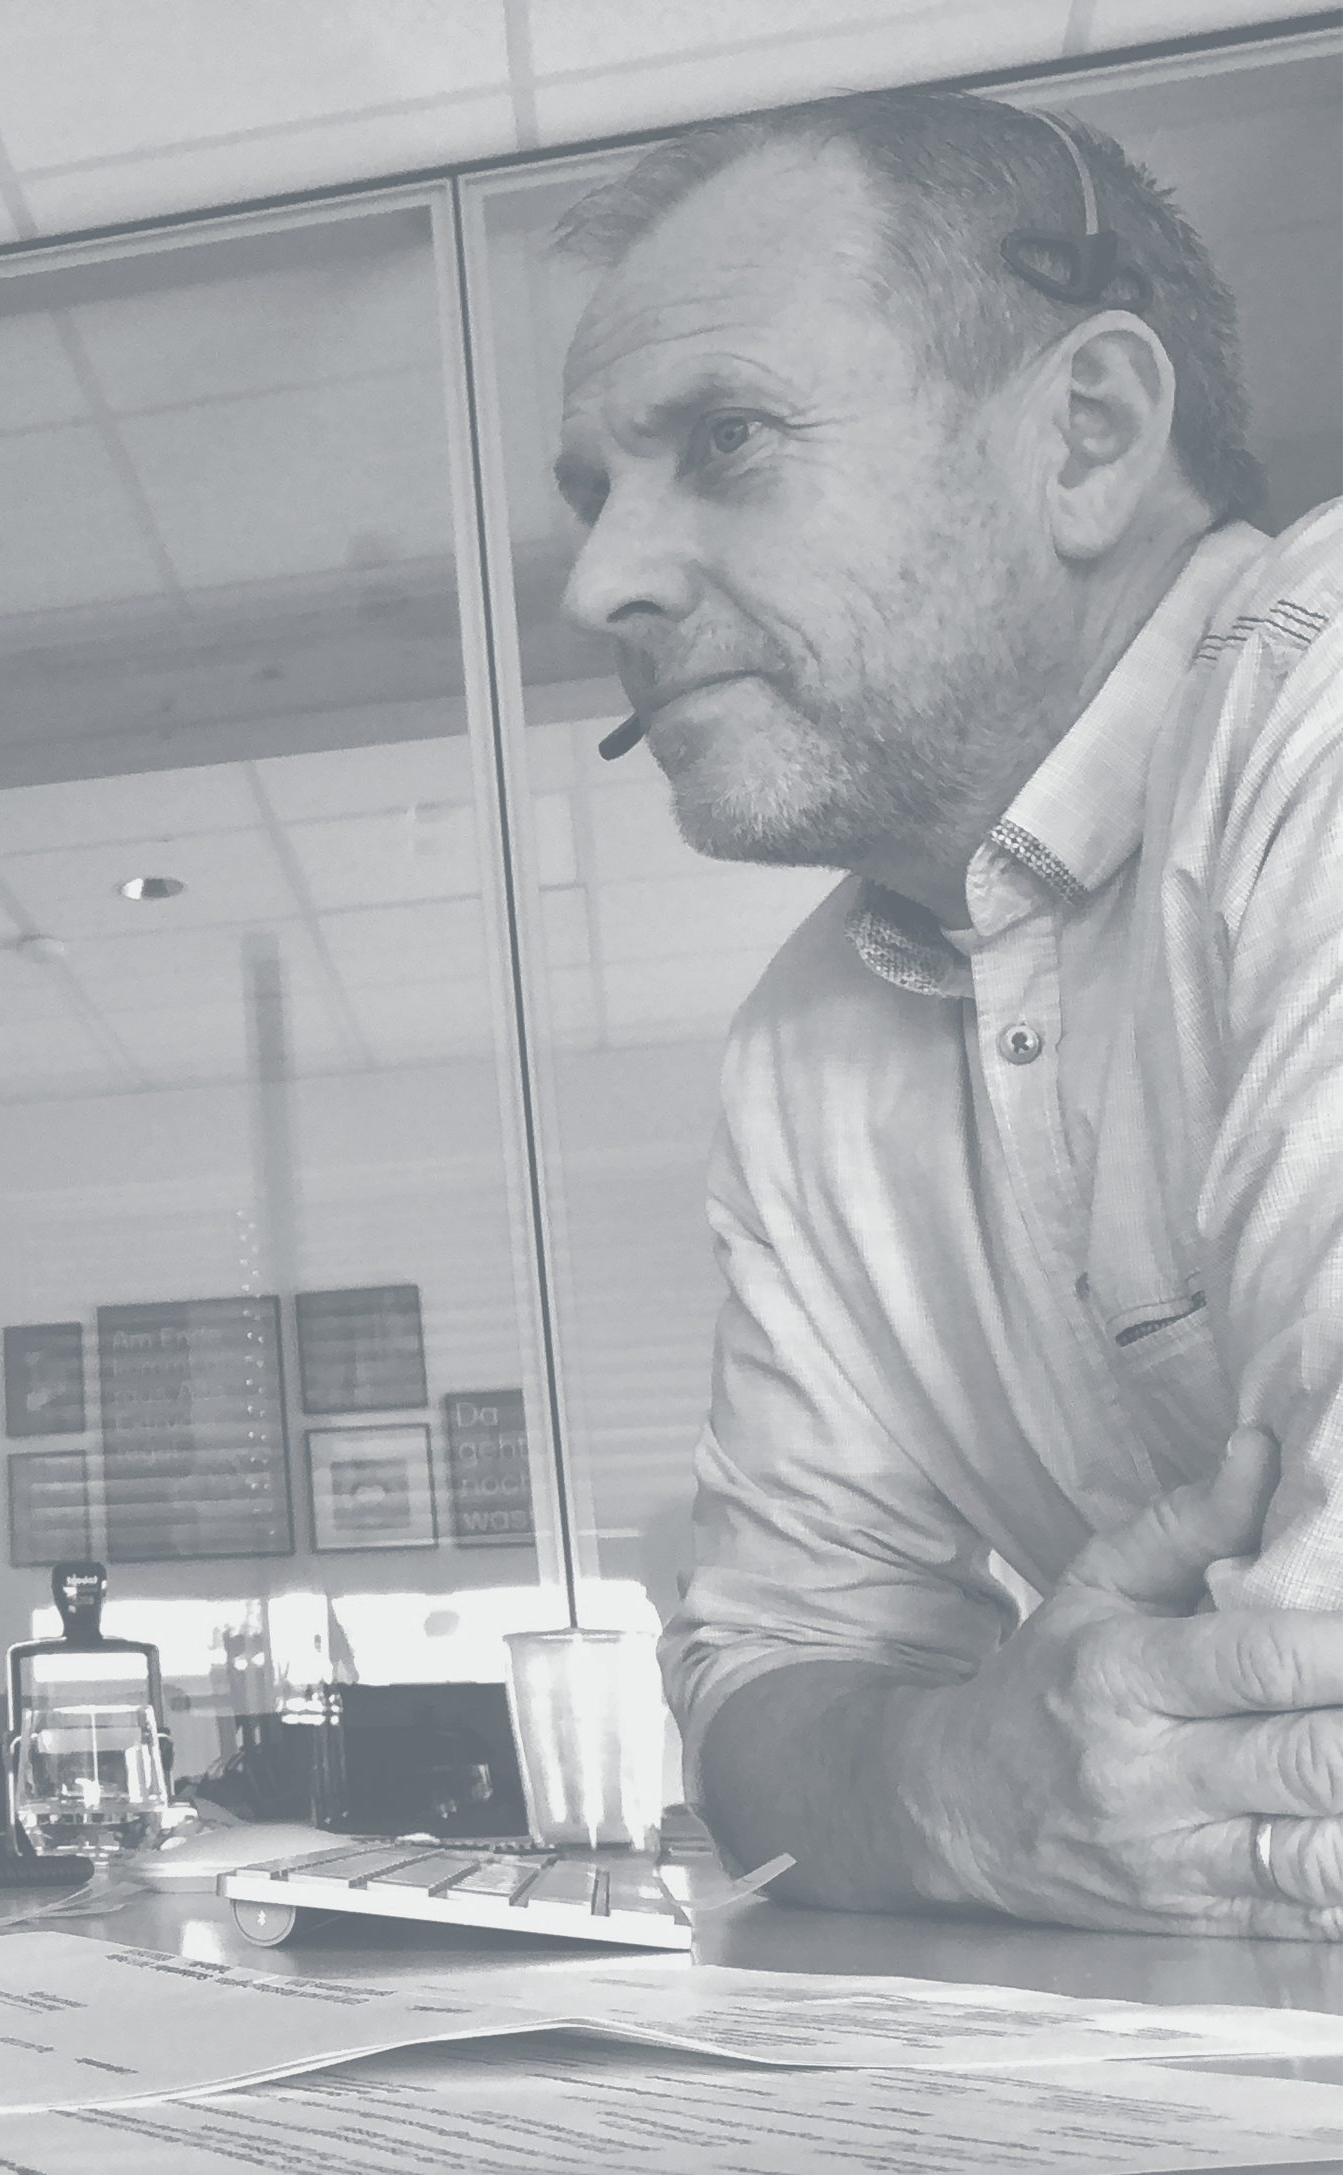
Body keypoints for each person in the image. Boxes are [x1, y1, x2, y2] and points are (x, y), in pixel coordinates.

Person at [549, 88, 1341, 1935]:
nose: (601, 581)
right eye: (594, 495)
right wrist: (965, 1790)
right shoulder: (802, 1040)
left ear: (1087, 435)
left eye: (728, 439)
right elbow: (760, 1684)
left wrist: (935, 1785)